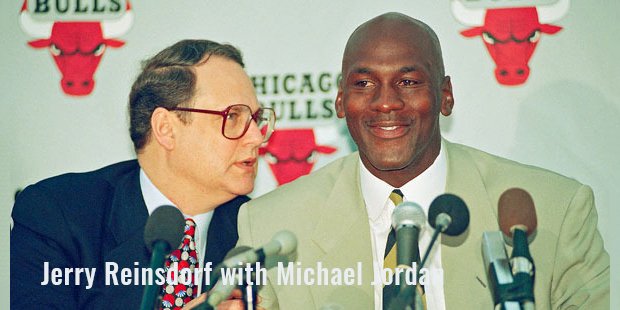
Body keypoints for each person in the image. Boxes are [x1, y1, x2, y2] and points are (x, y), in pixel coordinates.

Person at [236, 12, 610, 309]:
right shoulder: (272, 226)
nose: (385, 102)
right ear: (339, 102)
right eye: (363, 84)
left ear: (445, 96)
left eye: (409, 82)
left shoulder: (554, 209)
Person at [11, 39, 275, 309]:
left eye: (255, 119)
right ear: (166, 128)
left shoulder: (262, 232)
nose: (256, 137)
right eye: (232, 117)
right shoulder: (57, 216)